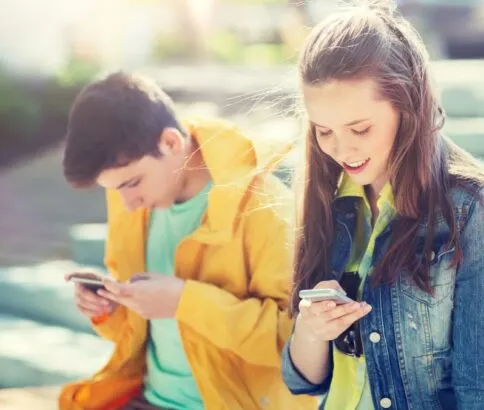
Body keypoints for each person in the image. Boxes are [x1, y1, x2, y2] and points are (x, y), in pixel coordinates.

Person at [280, 2, 484, 409]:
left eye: (359, 128)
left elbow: (480, 392)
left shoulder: (470, 206)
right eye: (323, 131)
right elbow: (303, 382)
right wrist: (311, 331)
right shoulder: (325, 194)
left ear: (407, 106)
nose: (341, 149)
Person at [58, 72, 317, 410]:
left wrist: (185, 301)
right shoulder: (136, 199)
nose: (127, 204)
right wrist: (111, 308)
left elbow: (296, 343)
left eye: (132, 183)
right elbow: (137, 332)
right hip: (147, 397)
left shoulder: (264, 208)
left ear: (170, 142)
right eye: (115, 190)